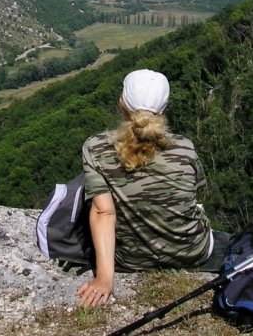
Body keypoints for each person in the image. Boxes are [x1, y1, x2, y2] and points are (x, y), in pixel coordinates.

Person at [75, 69, 229, 307]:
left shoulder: (95, 148)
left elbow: (104, 212)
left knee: (88, 200)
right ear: (164, 109)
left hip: (130, 259)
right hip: (192, 252)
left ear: (121, 104)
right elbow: (197, 190)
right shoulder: (185, 148)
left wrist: (105, 278)